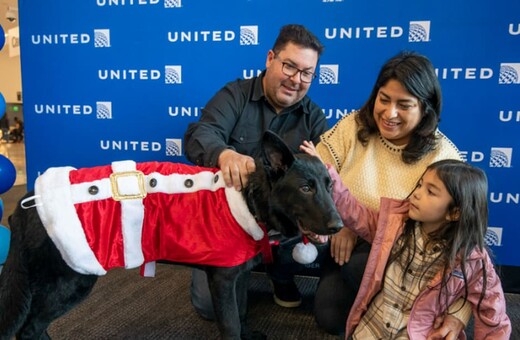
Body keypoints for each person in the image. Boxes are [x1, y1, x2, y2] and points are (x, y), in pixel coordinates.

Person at [311, 51, 469, 335]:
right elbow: (316, 174)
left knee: (361, 266)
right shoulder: (352, 126)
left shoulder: (444, 157)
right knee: (329, 315)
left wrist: (459, 313)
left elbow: (469, 248)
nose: (389, 113)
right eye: (384, 99)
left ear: (425, 109)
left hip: (412, 262)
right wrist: (339, 223)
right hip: (346, 246)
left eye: (404, 105)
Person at [183, 24, 328, 319]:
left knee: (328, 224)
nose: (296, 79)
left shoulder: (314, 117)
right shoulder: (233, 95)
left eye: (307, 73)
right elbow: (201, 133)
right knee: (209, 308)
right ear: (270, 58)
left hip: (281, 225)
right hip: (227, 222)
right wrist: (223, 153)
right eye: (289, 66)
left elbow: (328, 177)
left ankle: (282, 275)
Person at [304, 148, 512, 338]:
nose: (417, 193)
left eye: (431, 192)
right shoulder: (395, 224)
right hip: (371, 328)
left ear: (455, 212)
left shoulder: (472, 259)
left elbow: (493, 315)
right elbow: (355, 213)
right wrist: (327, 174)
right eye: (420, 185)